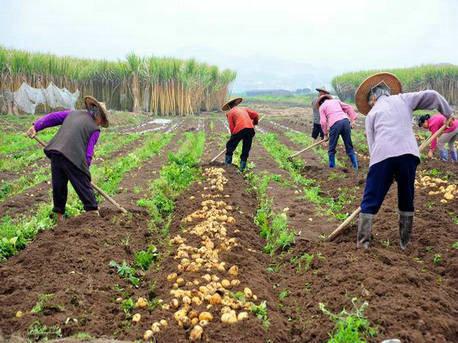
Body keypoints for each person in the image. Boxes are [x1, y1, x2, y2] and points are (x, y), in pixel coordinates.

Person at [354, 72, 454, 250]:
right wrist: (448, 113)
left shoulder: (372, 114)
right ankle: (404, 243)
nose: (370, 105)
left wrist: (381, 172)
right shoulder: (403, 100)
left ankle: (363, 244)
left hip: (382, 156)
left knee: (371, 197)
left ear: (374, 98)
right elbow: (432, 95)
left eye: (370, 102)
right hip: (408, 155)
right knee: (406, 197)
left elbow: (372, 146)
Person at [26, 96, 109, 222]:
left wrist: (36, 126)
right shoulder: (95, 129)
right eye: (101, 121)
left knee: (59, 185)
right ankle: (93, 214)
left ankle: (59, 218)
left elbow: (52, 118)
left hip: (56, 152)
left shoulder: (73, 113)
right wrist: (84, 170)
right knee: (84, 186)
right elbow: (88, 153)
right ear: (99, 116)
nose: (100, 124)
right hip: (73, 156)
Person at [317, 94, 358, 169]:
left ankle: (332, 168)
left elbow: (323, 122)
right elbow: (348, 107)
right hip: (345, 122)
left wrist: (325, 134)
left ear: (321, 102)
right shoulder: (336, 101)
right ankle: (355, 167)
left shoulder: (322, 107)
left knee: (331, 148)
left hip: (335, 125)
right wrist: (353, 120)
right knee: (349, 146)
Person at [222, 97, 259, 172]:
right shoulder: (244, 109)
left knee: (230, 145)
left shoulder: (230, 113)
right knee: (246, 148)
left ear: (229, 106)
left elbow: (232, 127)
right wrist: (254, 123)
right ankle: (242, 168)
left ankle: (227, 165)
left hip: (240, 129)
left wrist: (233, 138)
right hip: (250, 130)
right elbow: (256, 115)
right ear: (236, 103)